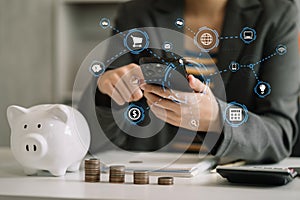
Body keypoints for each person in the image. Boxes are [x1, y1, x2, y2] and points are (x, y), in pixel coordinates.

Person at [80, 0, 300, 163]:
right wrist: (104, 91)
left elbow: (279, 135)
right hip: (151, 183)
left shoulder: (277, 14)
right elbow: (91, 139)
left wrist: (217, 118)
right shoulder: (136, 13)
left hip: (231, 188)